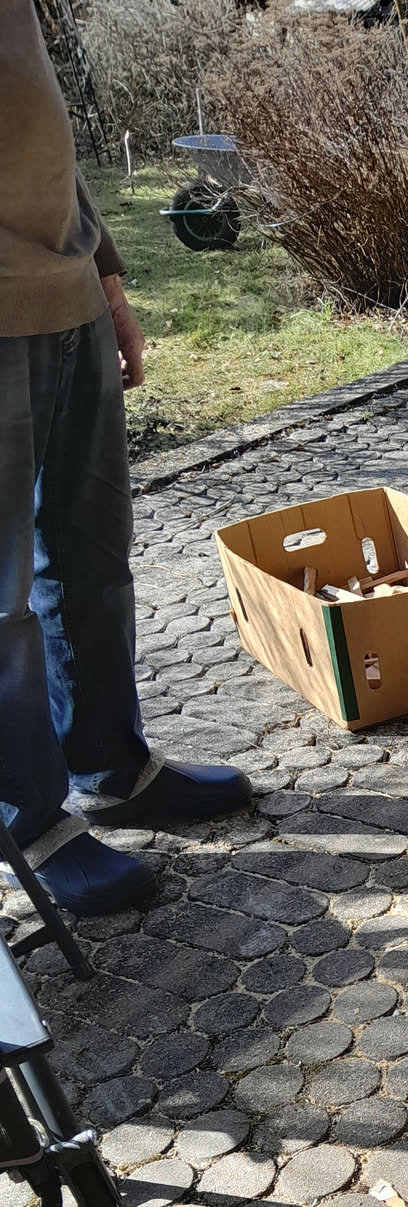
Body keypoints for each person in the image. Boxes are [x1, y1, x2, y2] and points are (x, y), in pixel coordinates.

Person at [1, 2, 252, 917]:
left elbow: (47, 137)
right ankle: (32, 825)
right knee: (1, 601)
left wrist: (107, 281)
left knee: (93, 559)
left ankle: (113, 767)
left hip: (67, 300)